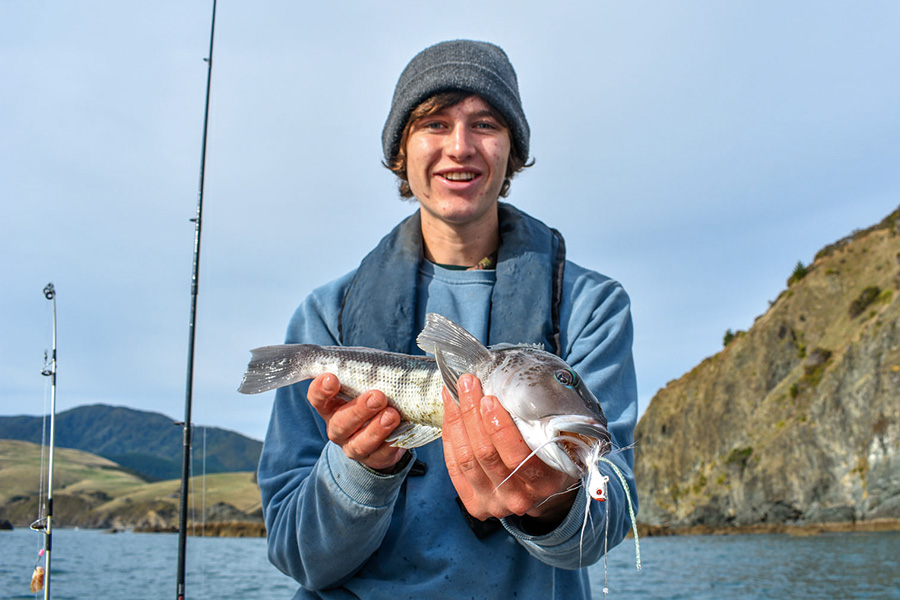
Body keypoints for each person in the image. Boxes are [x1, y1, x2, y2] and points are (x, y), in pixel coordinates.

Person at [257, 39, 638, 599]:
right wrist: (360, 468)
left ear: (513, 149)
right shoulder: (323, 317)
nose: (460, 147)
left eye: (485, 124)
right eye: (434, 124)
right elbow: (296, 554)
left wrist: (550, 498)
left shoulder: (591, 305)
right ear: (400, 150)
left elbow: (607, 513)